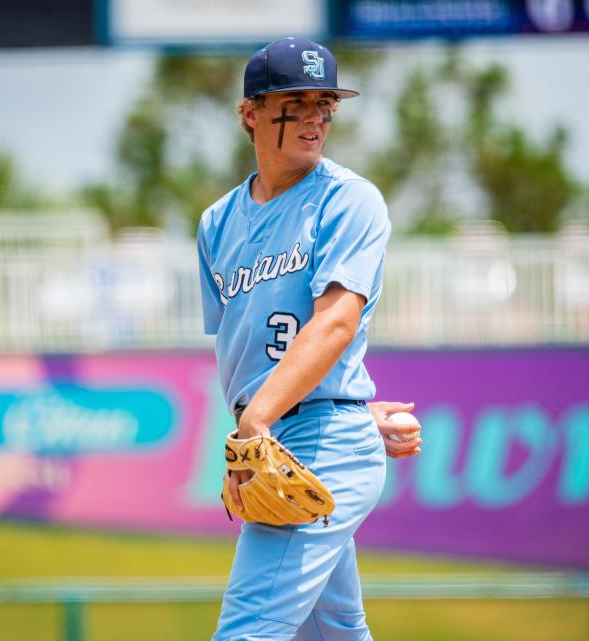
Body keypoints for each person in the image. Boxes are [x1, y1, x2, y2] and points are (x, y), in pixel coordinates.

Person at [196, 37, 419, 641]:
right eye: (297, 100)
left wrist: (276, 419)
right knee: (336, 631)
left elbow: (336, 322)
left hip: (319, 446)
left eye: (326, 102)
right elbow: (244, 353)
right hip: (286, 433)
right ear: (251, 113)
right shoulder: (217, 223)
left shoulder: (348, 200)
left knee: (246, 631)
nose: (317, 116)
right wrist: (336, 405)